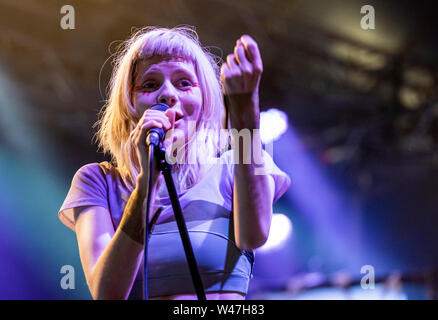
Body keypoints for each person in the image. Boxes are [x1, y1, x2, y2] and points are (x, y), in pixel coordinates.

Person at [58, 26, 290, 300]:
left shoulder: (233, 168)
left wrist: (245, 114)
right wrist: (145, 189)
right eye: (150, 84)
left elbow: (253, 236)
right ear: (129, 104)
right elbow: (107, 293)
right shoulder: (98, 182)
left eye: (183, 83)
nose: (167, 94)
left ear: (204, 100)